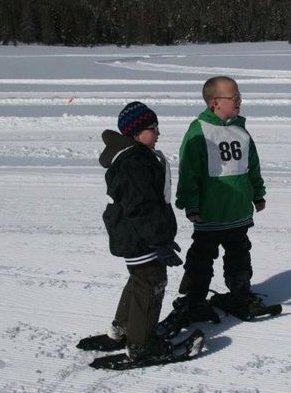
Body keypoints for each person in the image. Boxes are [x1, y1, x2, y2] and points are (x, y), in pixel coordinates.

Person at [157, 76, 267, 337]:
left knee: (239, 253)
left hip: (238, 212)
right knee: (202, 258)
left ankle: (240, 292)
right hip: (210, 214)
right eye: (234, 97)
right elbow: (189, 172)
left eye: (240, 96)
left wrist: (258, 193)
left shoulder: (242, 130)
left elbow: (252, 166)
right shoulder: (199, 130)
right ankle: (194, 299)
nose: (240, 101)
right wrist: (191, 204)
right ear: (216, 103)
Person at [77, 101, 184, 363]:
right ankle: (140, 345)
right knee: (151, 282)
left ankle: (124, 330)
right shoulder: (134, 161)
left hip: (136, 234)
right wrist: (159, 241)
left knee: (140, 279)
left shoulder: (136, 156)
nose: (158, 133)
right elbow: (141, 207)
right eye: (153, 128)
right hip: (139, 236)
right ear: (137, 133)